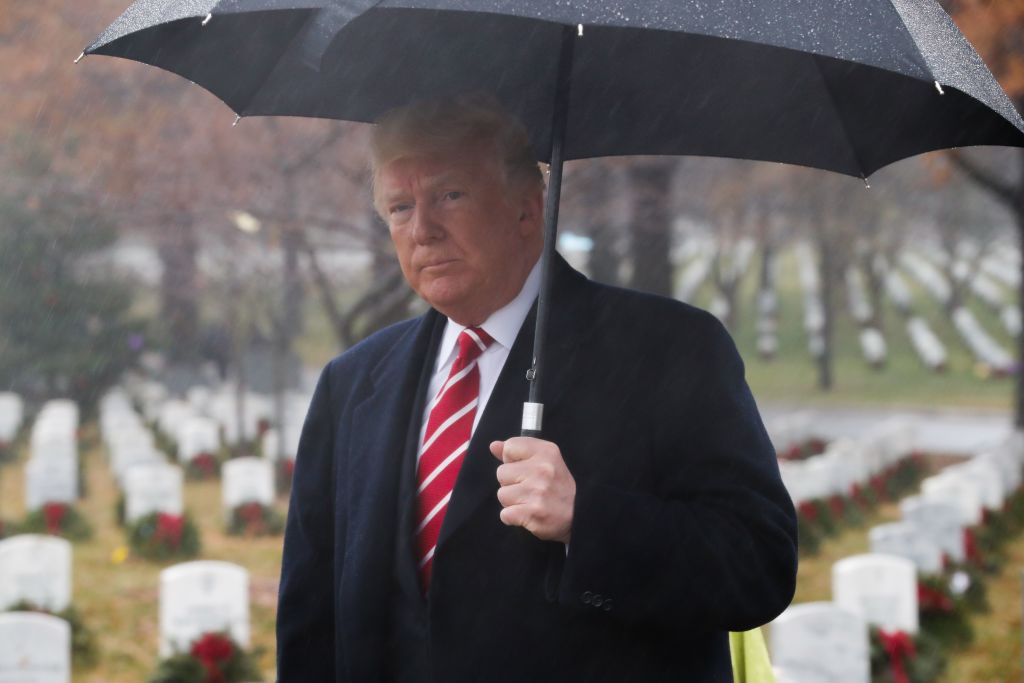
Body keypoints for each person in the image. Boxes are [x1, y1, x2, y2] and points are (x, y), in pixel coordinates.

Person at [276, 94, 798, 683]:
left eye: (450, 195)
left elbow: (758, 566)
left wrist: (589, 521)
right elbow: (310, 621)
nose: (423, 229)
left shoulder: (671, 350)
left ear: (528, 207)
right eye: (399, 207)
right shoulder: (350, 384)